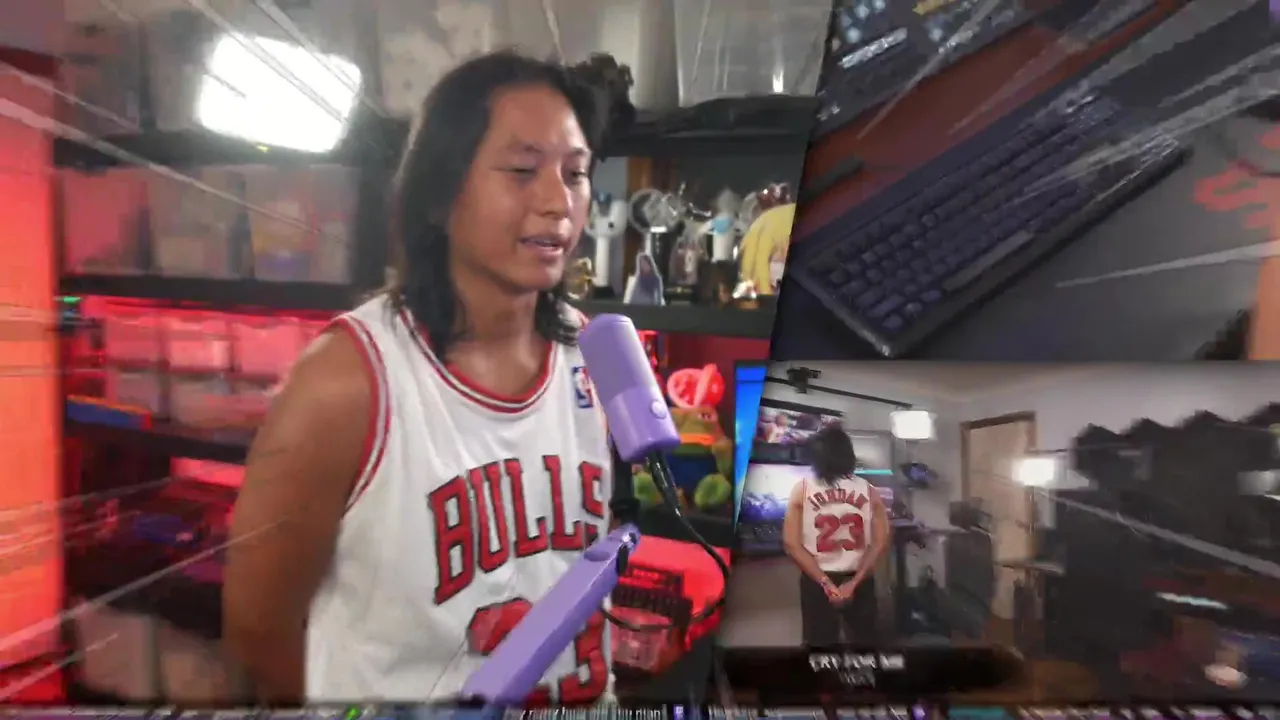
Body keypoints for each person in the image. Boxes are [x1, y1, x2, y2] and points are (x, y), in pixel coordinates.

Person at [222, 50, 615, 705]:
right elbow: (259, 630)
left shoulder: (593, 355)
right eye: (522, 171)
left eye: (575, 174)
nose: (558, 202)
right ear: (438, 195)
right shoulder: (346, 383)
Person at [782, 423, 890, 649]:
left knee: (819, 646)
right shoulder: (869, 490)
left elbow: (791, 544)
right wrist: (854, 582)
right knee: (865, 644)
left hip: (817, 578)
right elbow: (881, 540)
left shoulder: (801, 489)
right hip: (859, 577)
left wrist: (826, 583)